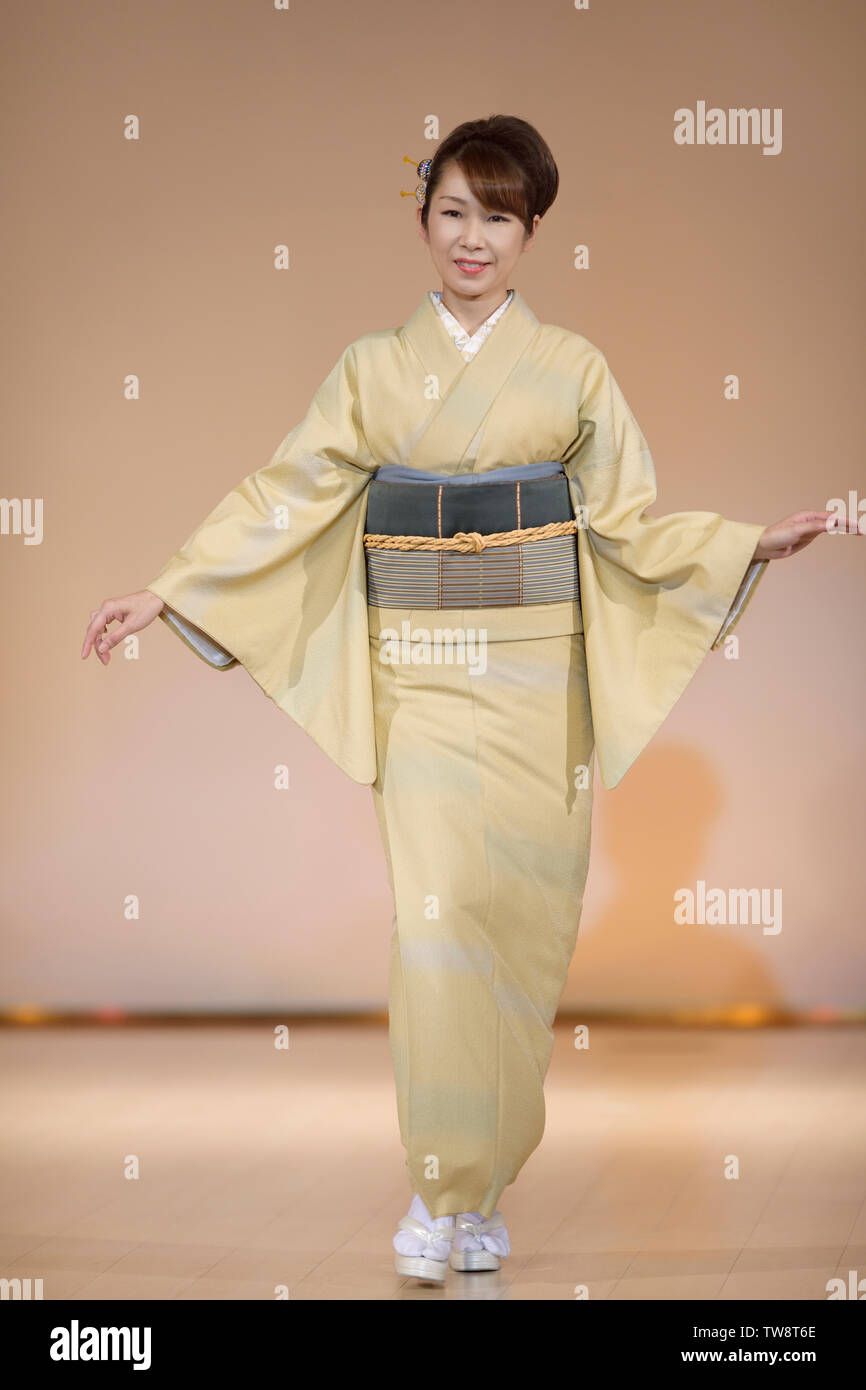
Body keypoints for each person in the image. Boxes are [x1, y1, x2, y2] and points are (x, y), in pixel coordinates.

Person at [81, 115, 860, 1286]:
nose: (473, 237)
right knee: (435, 925)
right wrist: (171, 588)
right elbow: (285, 494)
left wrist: (751, 541)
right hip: (420, 671)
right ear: (421, 220)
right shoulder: (370, 369)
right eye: (453, 211)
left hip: (539, 672)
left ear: (529, 232)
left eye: (498, 216)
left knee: (521, 929)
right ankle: (439, 1186)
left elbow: (630, 524)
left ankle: (483, 1187)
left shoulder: (572, 368)